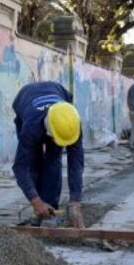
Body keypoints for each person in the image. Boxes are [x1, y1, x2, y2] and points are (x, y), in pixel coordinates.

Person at [12, 81, 85, 229]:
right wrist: (36, 201)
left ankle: (50, 207)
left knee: (53, 159)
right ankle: (39, 208)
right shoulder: (31, 127)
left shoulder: (72, 123)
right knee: (33, 161)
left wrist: (75, 201)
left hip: (57, 92)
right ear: (49, 130)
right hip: (24, 102)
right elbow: (20, 167)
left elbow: (76, 163)